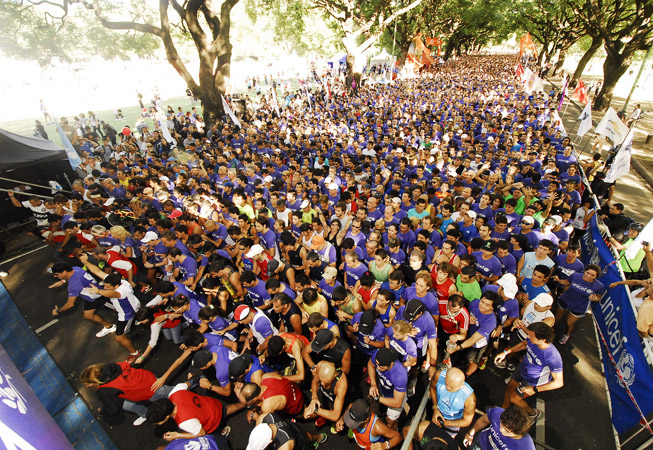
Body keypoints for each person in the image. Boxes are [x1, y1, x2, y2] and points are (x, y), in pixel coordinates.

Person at [494, 323, 563, 421]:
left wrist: (535, 389)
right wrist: (506, 353)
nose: (528, 336)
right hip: (523, 368)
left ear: (542, 340)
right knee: (510, 386)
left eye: (530, 336)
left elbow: (559, 382)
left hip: (533, 380)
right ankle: (502, 411)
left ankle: (532, 413)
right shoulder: (532, 341)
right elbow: (523, 344)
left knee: (514, 398)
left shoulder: (553, 357)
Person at [80, 362, 173, 426]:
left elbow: (113, 409)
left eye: (87, 384)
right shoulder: (111, 367)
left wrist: (102, 410)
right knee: (127, 405)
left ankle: (187, 386)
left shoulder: (103, 390)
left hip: (148, 389)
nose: (86, 386)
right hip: (145, 376)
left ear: (94, 381)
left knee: (173, 392)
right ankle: (145, 414)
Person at [146, 382, 245, 441]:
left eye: (158, 422)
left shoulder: (184, 422)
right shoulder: (174, 392)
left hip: (212, 421)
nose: (158, 424)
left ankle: (222, 431)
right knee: (226, 410)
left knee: (212, 434)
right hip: (211, 405)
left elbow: (202, 434)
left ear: (167, 416)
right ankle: (245, 404)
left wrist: (178, 435)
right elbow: (187, 384)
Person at [49, 262, 116, 337]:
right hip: (90, 297)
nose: (55, 276)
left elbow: (70, 304)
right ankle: (109, 327)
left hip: (99, 297)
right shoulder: (75, 268)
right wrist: (62, 281)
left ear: (64, 272)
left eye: (56, 274)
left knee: (118, 309)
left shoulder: (73, 286)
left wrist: (57, 311)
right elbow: (72, 277)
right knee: (88, 316)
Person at [555, 264, 604, 344]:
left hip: (579, 307)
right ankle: (550, 329)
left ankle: (567, 334)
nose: (589, 276)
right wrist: (558, 280)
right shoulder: (575, 276)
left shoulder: (599, 286)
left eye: (592, 275)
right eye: (588, 273)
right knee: (556, 318)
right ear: (584, 271)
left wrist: (595, 299)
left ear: (596, 276)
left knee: (569, 323)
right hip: (565, 300)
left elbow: (598, 297)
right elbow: (566, 282)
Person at [335, 398, 402, 450]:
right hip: (360, 441)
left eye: (355, 421)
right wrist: (341, 419)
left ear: (366, 420)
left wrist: (386, 445)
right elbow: (348, 409)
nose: (350, 422)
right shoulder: (352, 406)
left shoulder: (378, 427)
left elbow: (398, 436)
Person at [428, 367, 476, 436]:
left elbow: (466, 421)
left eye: (451, 387)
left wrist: (443, 423)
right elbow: (432, 388)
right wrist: (435, 408)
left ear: (461, 386)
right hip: (436, 411)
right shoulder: (439, 375)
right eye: (446, 383)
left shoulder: (469, 399)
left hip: (453, 421)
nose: (447, 388)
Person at [368, 348, 408, 429]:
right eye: (377, 365)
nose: (378, 368)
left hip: (395, 397)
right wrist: (373, 383)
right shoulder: (377, 355)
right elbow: (370, 365)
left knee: (390, 421)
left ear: (391, 364)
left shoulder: (400, 376)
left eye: (381, 367)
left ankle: (394, 431)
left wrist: (377, 398)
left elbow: (397, 403)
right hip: (384, 390)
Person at [462, 405, 535, 449]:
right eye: (501, 423)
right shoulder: (498, 413)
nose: (500, 429)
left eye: (506, 430)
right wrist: (470, 434)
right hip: (479, 442)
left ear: (518, 433)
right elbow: (483, 421)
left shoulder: (526, 447)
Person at [304, 361, 348, 428]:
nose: (322, 384)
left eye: (326, 382)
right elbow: (315, 382)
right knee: (327, 403)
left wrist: (314, 409)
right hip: (328, 396)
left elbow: (335, 415)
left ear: (334, 377)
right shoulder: (321, 366)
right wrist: (314, 398)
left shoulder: (341, 385)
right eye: (321, 380)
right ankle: (325, 413)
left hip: (341, 398)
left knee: (336, 413)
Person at [246, 415, 327, 450]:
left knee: (306, 438)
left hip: (297, 439)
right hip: (288, 425)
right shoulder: (264, 417)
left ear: (270, 441)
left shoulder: (285, 446)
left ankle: (319, 438)